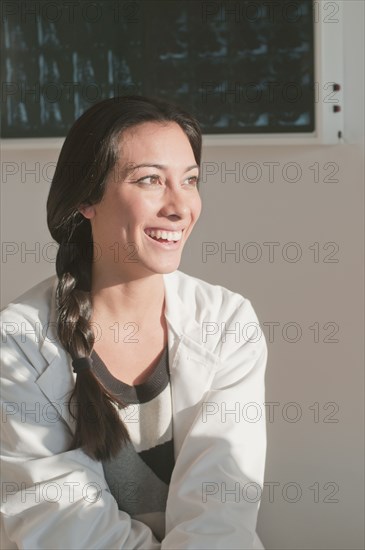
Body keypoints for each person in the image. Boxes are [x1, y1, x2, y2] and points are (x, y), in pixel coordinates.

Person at [0, 95, 268, 549]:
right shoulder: (20, 342)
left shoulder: (227, 322)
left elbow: (221, 507)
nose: (180, 207)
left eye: (190, 181)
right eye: (150, 181)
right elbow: (64, 529)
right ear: (87, 198)